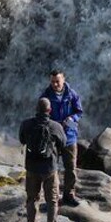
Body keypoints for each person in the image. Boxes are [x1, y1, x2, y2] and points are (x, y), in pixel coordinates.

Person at [19, 97, 67, 222]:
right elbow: (63, 143)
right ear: (49, 110)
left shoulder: (26, 124)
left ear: (36, 109)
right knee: (52, 201)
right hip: (49, 168)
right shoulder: (55, 126)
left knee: (32, 199)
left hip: (32, 168)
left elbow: (22, 140)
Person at [40, 69, 84, 206]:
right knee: (51, 168)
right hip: (52, 137)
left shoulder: (72, 94)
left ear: (63, 80)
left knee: (71, 168)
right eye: (52, 82)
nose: (55, 84)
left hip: (69, 136)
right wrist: (52, 124)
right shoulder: (45, 95)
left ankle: (69, 195)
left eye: (57, 81)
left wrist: (72, 118)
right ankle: (52, 197)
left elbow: (79, 111)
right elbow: (41, 114)